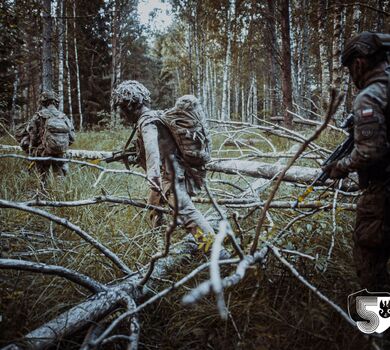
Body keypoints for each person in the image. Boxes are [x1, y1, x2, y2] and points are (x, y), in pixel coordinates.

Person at [112, 80, 215, 250]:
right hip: (170, 175)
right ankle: (159, 246)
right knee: (153, 207)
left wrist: (153, 176)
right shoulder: (156, 116)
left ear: (131, 106)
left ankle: (219, 253)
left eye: (122, 108)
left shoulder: (147, 122)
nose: (123, 114)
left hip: (170, 178)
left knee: (188, 216)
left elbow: (152, 146)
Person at [323, 32, 390, 291]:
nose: (352, 75)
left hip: (383, 192)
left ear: (359, 63)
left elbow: (370, 151)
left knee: (369, 261)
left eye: (351, 68)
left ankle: (376, 329)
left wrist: (341, 166)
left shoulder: (370, 96)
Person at [17, 91, 75, 180]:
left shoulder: (39, 115)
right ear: (56, 102)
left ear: (43, 102)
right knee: (60, 179)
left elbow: (33, 136)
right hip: (61, 154)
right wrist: (60, 146)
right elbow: (72, 137)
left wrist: (32, 151)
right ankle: (60, 193)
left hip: (43, 153)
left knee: (43, 179)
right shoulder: (63, 116)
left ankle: (43, 192)